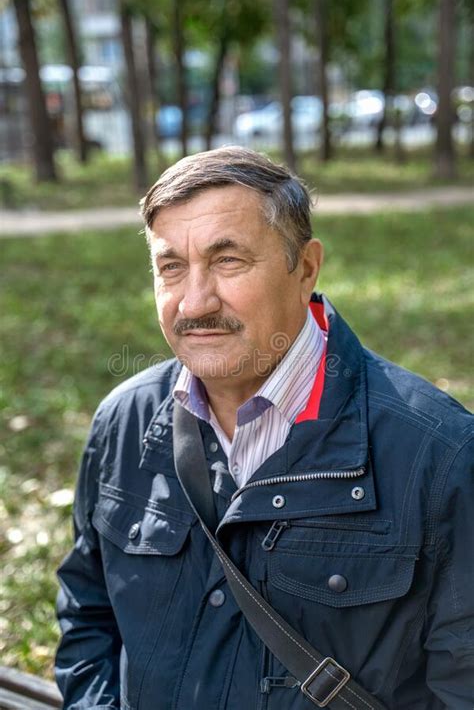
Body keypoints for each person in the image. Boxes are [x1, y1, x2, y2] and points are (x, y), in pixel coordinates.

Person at [55, 146, 473, 710]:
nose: (195, 302)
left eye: (228, 261)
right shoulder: (124, 420)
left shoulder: (440, 455)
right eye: (171, 267)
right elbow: (87, 613)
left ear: (305, 269)